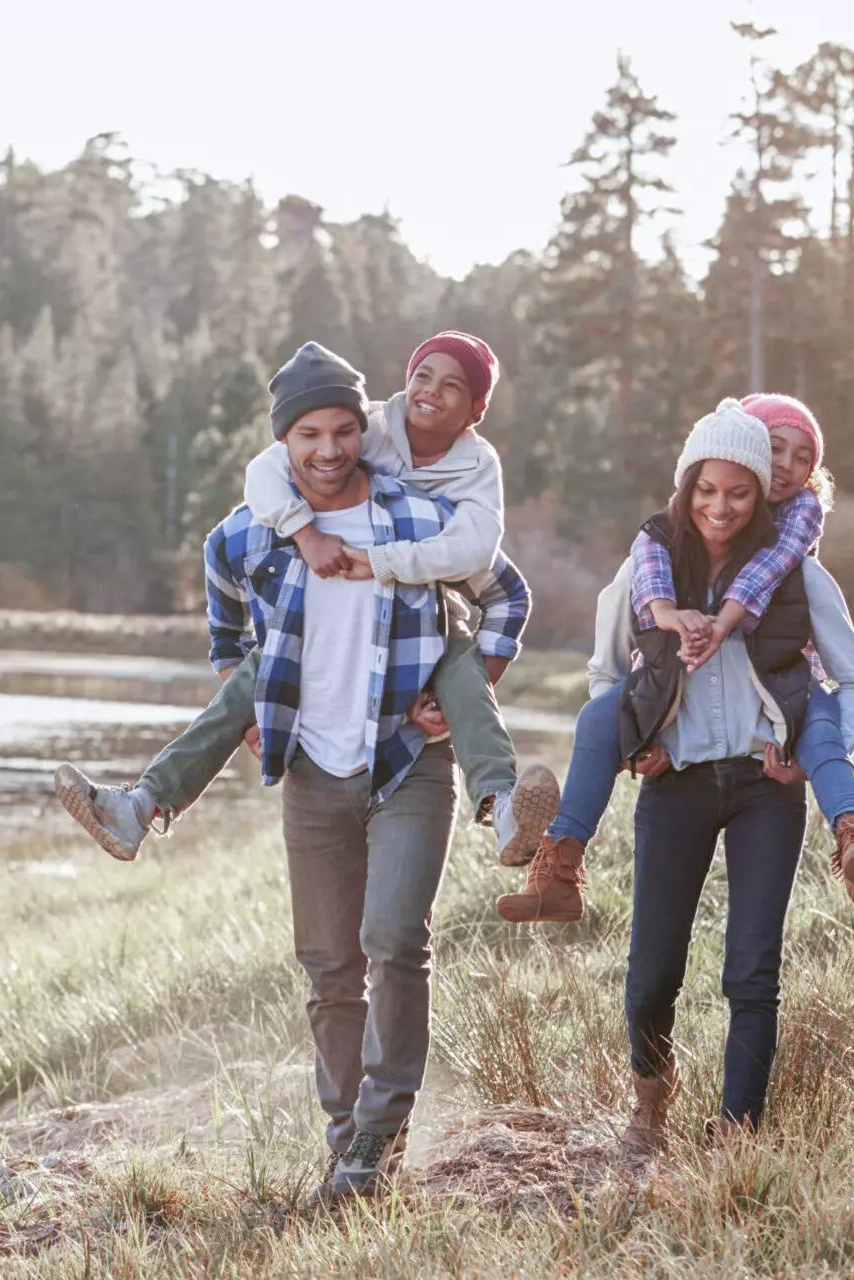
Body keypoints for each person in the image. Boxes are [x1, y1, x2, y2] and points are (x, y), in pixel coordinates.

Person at [156, 344, 528, 1199]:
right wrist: (236, 685)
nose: (327, 449)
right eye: (307, 433)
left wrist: (482, 674)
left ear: (367, 431)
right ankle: (348, 1142)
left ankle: (378, 1134)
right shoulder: (262, 521)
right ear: (284, 442)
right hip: (314, 767)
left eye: (343, 430)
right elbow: (221, 584)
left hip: (408, 758)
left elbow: (505, 588)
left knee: (396, 940)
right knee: (328, 966)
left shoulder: (417, 513)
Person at [55, 333, 556, 869]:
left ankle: (503, 806)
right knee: (259, 670)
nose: (330, 448)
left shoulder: (474, 471)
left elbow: (485, 558)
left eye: (452, 385)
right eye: (422, 376)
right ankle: (139, 807)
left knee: (460, 666)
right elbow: (265, 473)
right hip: (321, 625)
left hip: (430, 616)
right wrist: (304, 533)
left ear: (477, 410)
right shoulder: (370, 427)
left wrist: (461, 687)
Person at [573, 402, 854, 1150]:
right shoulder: (652, 567)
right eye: (710, 489)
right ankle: (650, 1101)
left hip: (762, 791)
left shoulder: (799, 573)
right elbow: (604, 673)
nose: (723, 503)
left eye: (740, 490)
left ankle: (739, 1127)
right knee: (651, 970)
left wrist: (806, 756)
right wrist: (640, 741)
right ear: (693, 485)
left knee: (751, 971)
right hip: (675, 784)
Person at [496, 392, 854, 925]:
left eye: (804, 458)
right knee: (598, 716)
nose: (788, 468)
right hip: (673, 723)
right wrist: (639, 736)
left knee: (820, 725)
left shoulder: (796, 541)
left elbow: (776, 579)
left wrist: (723, 623)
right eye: (776, 450)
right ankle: (559, 864)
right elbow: (618, 639)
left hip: (780, 701)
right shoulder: (661, 540)